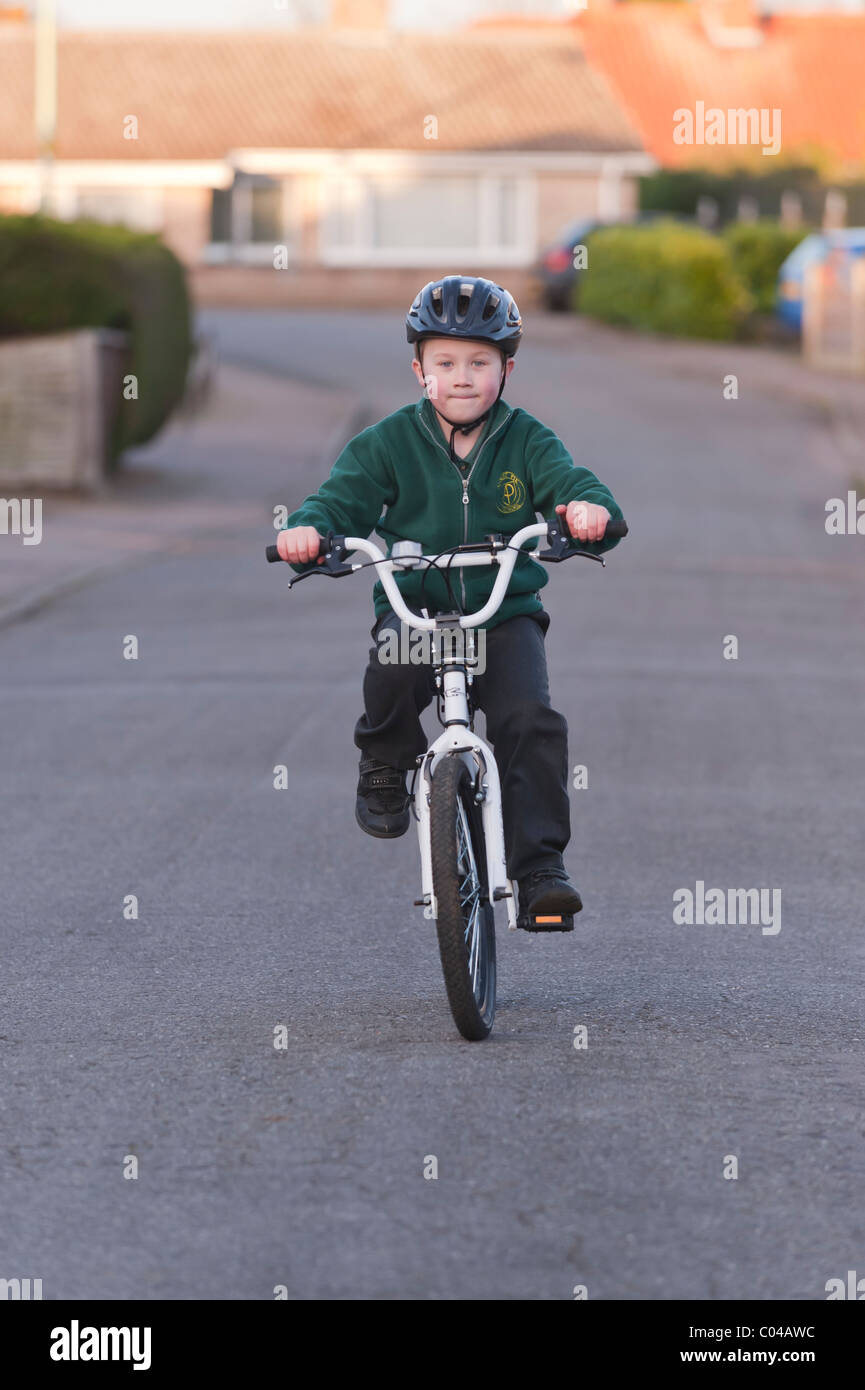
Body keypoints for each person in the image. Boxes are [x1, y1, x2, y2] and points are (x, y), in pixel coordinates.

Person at [276, 275, 624, 929]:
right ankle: (383, 761)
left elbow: (572, 484)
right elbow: (337, 500)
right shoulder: (385, 444)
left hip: (500, 613)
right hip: (415, 608)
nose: (461, 377)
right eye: (444, 363)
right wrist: (310, 531)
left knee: (529, 721)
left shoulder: (527, 441)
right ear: (418, 371)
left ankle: (540, 871)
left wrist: (585, 511)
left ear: (506, 369)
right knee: (390, 676)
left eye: (478, 363)